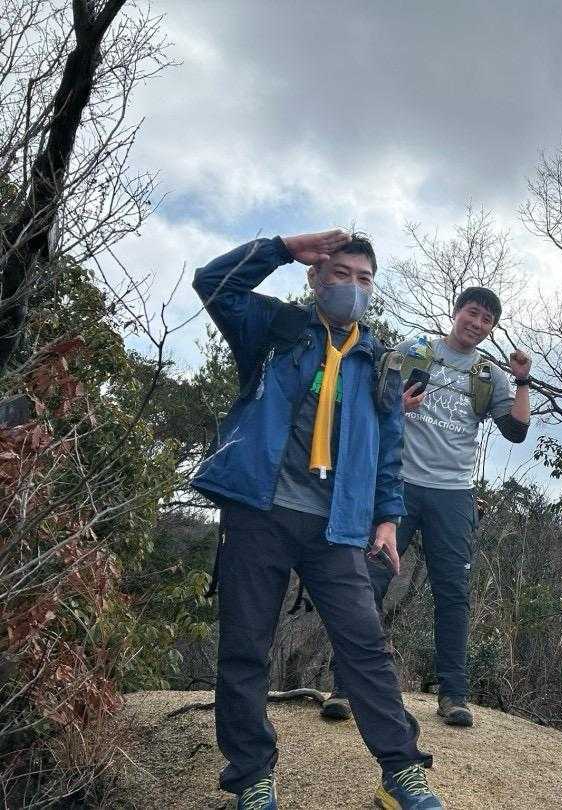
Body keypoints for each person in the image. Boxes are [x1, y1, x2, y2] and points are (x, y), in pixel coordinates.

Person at [191, 230, 443, 810]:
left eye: (364, 278)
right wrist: (281, 247)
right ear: (315, 278)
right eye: (340, 274)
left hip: (338, 526)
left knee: (365, 647)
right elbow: (213, 283)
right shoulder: (275, 329)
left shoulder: (379, 361)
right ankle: (251, 774)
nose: (352, 287)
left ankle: (401, 771)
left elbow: (389, 445)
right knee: (245, 645)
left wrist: (387, 517)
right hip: (260, 510)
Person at [321, 286, 532, 728]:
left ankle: (453, 694)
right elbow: (369, 402)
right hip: (397, 485)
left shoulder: (489, 376)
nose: (476, 324)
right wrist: (396, 406)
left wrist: (522, 381)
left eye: (487, 320)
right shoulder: (414, 352)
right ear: (456, 312)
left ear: (492, 327)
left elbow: (515, 432)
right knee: (368, 585)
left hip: (453, 493)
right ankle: (344, 686)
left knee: (453, 594)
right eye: (471, 313)